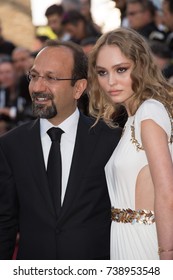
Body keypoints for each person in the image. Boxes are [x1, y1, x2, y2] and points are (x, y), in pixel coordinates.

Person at [0, 40, 122, 260]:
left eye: (51, 78)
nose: (37, 87)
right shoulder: (10, 146)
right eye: (34, 76)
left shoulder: (110, 141)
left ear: (78, 88)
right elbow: (5, 223)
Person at [88, 27, 173, 260]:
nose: (111, 82)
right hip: (125, 240)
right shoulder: (133, 118)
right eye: (102, 72)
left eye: (121, 70)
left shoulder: (149, 111)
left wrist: (167, 257)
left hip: (145, 243)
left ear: (142, 65)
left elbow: (167, 192)